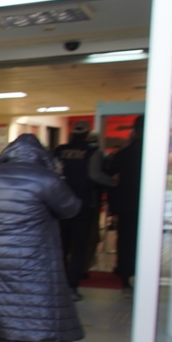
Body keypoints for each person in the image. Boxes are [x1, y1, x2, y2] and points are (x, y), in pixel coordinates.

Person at [0, 133, 85, 342]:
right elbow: (71, 209)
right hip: (29, 253)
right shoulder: (45, 178)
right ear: (40, 154)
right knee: (33, 306)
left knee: (3, 304)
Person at [55, 121, 100, 300]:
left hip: (60, 205)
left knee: (61, 248)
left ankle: (58, 285)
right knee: (78, 248)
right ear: (87, 134)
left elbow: (53, 174)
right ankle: (72, 287)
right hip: (83, 205)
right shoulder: (92, 152)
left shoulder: (59, 151)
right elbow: (95, 175)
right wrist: (113, 182)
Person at [105, 115, 144, 291]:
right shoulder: (158, 153)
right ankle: (143, 273)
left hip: (127, 205)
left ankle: (127, 275)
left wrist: (114, 204)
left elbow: (109, 176)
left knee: (126, 240)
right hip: (149, 207)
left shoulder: (124, 154)